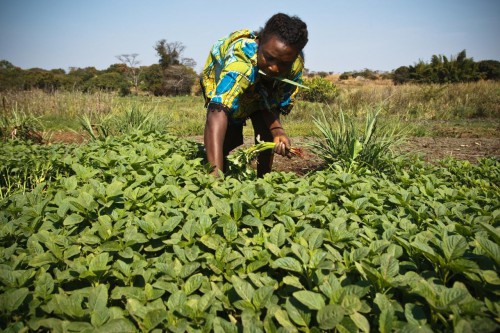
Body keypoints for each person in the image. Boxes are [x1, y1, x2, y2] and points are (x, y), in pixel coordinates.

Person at [200, 13, 308, 177]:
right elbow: (217, 110)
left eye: (283, 64)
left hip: (258, 86)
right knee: (225, 139)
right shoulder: (241, 60)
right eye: (269, 58)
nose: (274, 68)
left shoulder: (293, 67)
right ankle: (216, 171)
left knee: (266, 132)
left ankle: (263, 179)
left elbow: (271, 103)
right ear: (260, 41)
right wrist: (215, 182)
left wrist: (278, 132)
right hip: (225, 78)